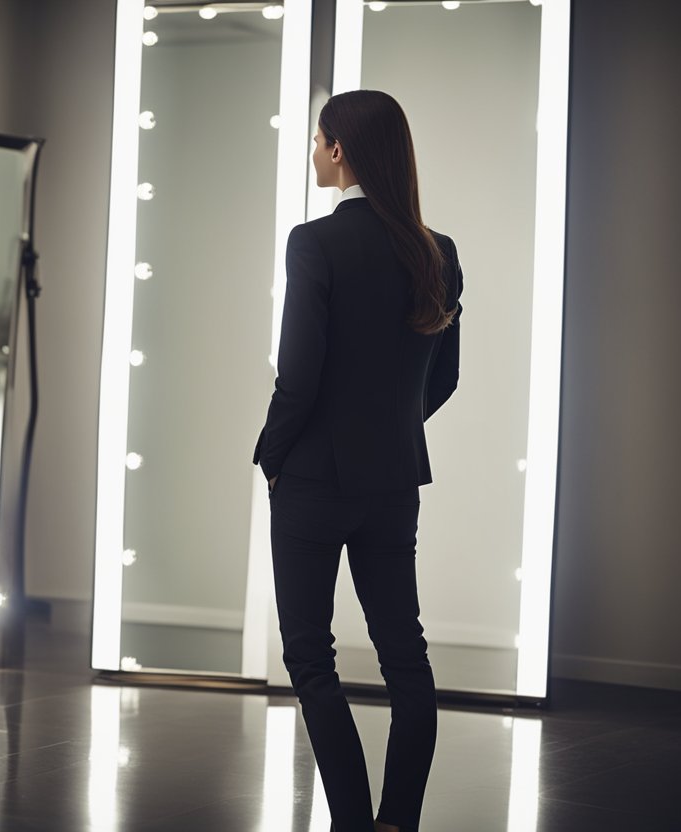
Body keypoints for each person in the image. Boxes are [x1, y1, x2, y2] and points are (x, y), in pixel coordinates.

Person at [253, 90, 463, 832]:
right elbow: (443, 379)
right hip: (393, 481)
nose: (314, 151)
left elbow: (298, 374)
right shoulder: (438, 251)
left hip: (311, 480)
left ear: (340, 150)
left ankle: (350, 823)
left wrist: (271, 455)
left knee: (312, 659)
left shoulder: (314, 243)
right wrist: (386, 431)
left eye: (318, 140)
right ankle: (396, 822)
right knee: (405, 656)